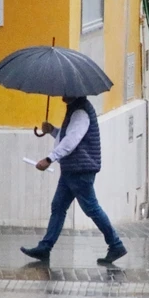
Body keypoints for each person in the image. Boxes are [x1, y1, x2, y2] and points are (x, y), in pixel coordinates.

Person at [20, 96, 127, 265]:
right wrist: (52, 130)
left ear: (75, 91)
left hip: (80, 170)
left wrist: (49, 159)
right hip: (72, 169)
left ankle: (116, 244)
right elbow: (68, 135)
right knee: (58, 206)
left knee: (91, 207)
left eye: (65, 91)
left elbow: (72, 140)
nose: (62, 95)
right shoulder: (75, 110)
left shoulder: (80, 112)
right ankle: (45, 247)